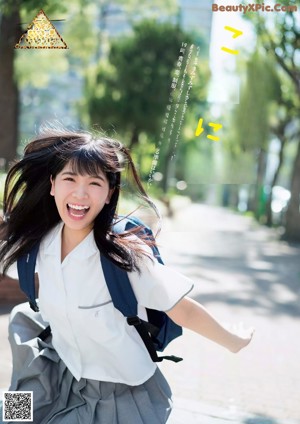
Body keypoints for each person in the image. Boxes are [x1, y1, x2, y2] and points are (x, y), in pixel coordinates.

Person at [0, 127, 254, 424]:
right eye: (70, 178)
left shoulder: (124, 257)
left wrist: (233, 340)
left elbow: (183, 310)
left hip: (120, 396)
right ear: (53, 184)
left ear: (109, 193)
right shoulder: (37, 242)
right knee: (13, 416)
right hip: (58, 374)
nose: (80, 193)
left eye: (94, 182)